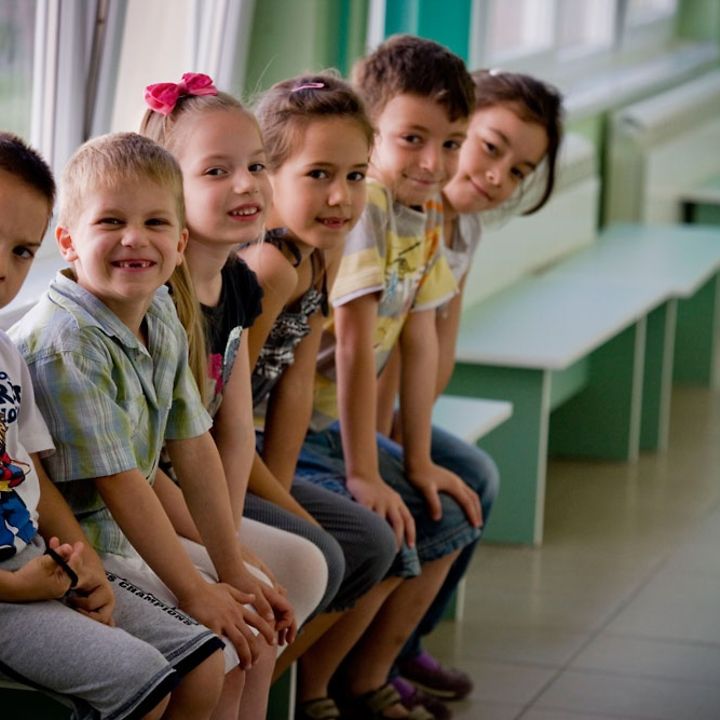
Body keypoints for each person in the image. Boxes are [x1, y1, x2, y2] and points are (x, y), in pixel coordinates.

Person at [11, 132, 276, 720]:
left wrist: (230, 567)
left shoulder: (158, 310)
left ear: (180, 244)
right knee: (217, 647)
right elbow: (121, 484)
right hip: (80, 546)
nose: (135, 238)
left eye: (156, 222)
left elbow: (192, 443)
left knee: (253, 630)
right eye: (110, 221)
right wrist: (196, 591)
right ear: (68, 242)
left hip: (122, 539)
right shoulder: (65, 346)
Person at [296, 35, 494, 719]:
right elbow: (353, 347)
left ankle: (366, 678)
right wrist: (366, 472)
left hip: (338, 431)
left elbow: (415, 332)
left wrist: (414, 458)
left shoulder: (426, 211)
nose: (433, 162)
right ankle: (315, 691)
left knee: (448, 509)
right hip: (302, 432)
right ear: (372, 131)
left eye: (451, 143)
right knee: (393, 528)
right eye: (413, 138)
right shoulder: (365, 206)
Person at [375, 69, 564, 716]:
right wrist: (397, 447)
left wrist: (415, 429)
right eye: (491, 147)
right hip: (360, 416)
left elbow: (439, 346)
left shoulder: (465, 230)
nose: (497, 176)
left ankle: (405, 643)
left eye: (519, 171)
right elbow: (383, 351)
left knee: (478, 474)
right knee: (435, 494)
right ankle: (367, 662)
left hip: (396, 413)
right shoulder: (403, 217)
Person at [139, 73, 329, 642]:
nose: (246, 184)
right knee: (261, 592)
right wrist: (228, 549)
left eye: (257, 165)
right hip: (151, 508)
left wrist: (231, 533)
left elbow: (237, 431)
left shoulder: (239, 283)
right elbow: (141, 466)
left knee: (304, 568)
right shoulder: (154, 300)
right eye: (217, 171)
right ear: (167, 189)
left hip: (206, 501)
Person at [236, 73, 400, 719]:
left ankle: (263, 685)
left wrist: (277, 498)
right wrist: (283, 514)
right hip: (194, 462)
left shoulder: (317, 254)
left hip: (245, 457)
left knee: (374, 547)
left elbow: (294, 390)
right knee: (333, 553)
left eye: (357, 175)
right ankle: (240, 690)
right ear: (266, 174)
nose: (342, 196)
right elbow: (216, 418)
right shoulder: (268, 266)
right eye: (319, 174)